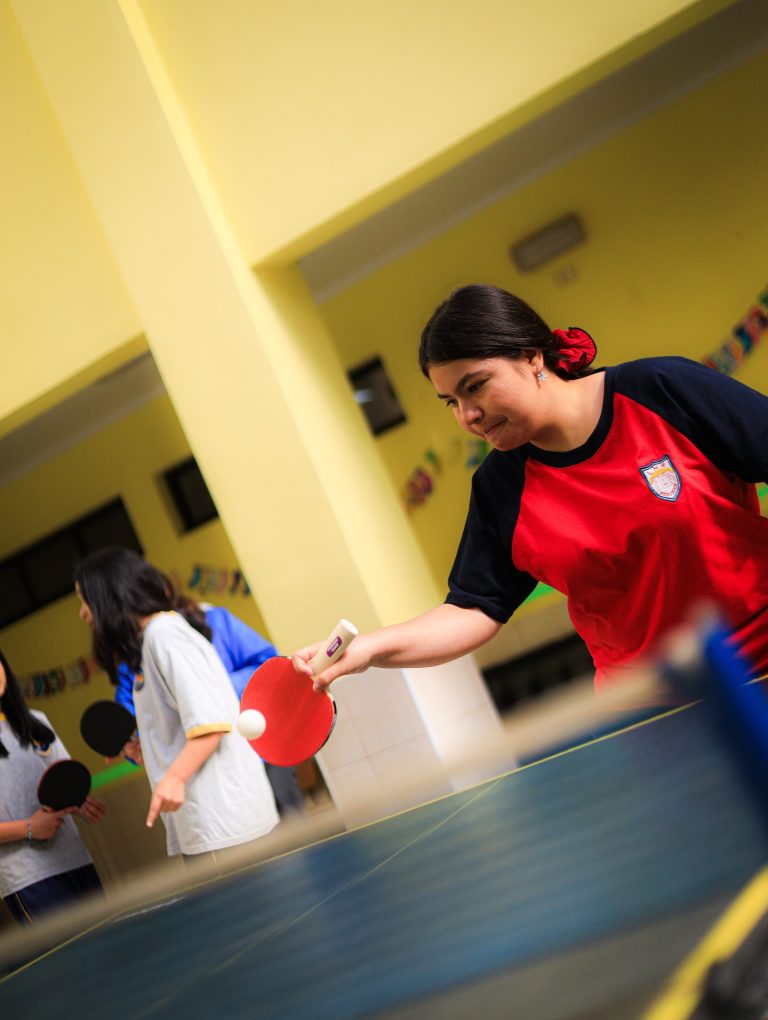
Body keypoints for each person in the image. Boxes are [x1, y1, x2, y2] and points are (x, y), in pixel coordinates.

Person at [292, 283, 768, 702]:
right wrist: (373, 648)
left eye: (475, 387)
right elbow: (474, 607)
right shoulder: (501, 487)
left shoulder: (661, 391)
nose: (467, 416)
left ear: (531, 357)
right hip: (652, 710)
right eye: (451, 402)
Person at [74, 548, 279, 864]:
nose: (82, 614)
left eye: (84, 600)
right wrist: (153, 752)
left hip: (222, 821)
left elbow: (211, 723)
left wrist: (174, 779)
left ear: (106, 597)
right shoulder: (149, 643)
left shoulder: (164, 635)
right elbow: (182, 727)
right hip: (208, 825)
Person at [112, 593, 305, 816]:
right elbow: (136, 728)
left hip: (261, 749)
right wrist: (133, 749)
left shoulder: (214, 619)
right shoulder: (133, 659)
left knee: (293, 833)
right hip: (203, 781)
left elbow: (268, 667)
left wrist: (209, 693)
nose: (84, 613)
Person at [0, 649, 106, 926]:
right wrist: (30, 828)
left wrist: (78, 802)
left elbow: (64, 780)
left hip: (75, 860)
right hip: (28, 878)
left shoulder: (37, 722)